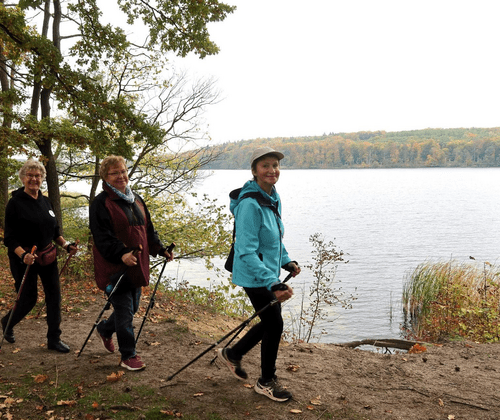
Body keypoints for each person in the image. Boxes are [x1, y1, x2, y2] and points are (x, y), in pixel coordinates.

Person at [217, 147, 300, 402]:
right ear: (254, 170)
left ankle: (233, 354)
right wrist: (272, 282)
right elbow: (246, 251)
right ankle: (266, 381)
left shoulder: (272, 197)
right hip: (254, 274)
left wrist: (286, 262)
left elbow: (274, 239)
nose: (272, 170)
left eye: (275, 165)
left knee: (270, 321)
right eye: (265, 166)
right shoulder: (250, 204)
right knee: (274, 324)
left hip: (267, 272)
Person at [89, 155, 173, 371]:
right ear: (105, 177)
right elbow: (102, 237)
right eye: (114, 173)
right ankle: (128, 355)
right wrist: (122, 253)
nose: (121, 176)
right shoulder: (101, 203)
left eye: (123, 171)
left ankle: (105, 330)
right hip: (114, 267)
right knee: (125, 311)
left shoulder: (136, 200)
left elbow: (148, 230)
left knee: (132, 308)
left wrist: (161, 249)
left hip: (136, 265)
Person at [1, 159, 78, 353]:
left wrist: (66, 245)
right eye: (30, 175)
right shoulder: (15, 203)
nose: (34, 179)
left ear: (42, 178)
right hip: (24, 260)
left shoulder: (46, 201)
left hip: (47, 256)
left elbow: (55, 231)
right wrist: (23, 255)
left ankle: (54, 339)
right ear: (23, 178)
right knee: (28, 299)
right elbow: (9, 238)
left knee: (54, 297)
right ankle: (7, 322)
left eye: (37, 176)